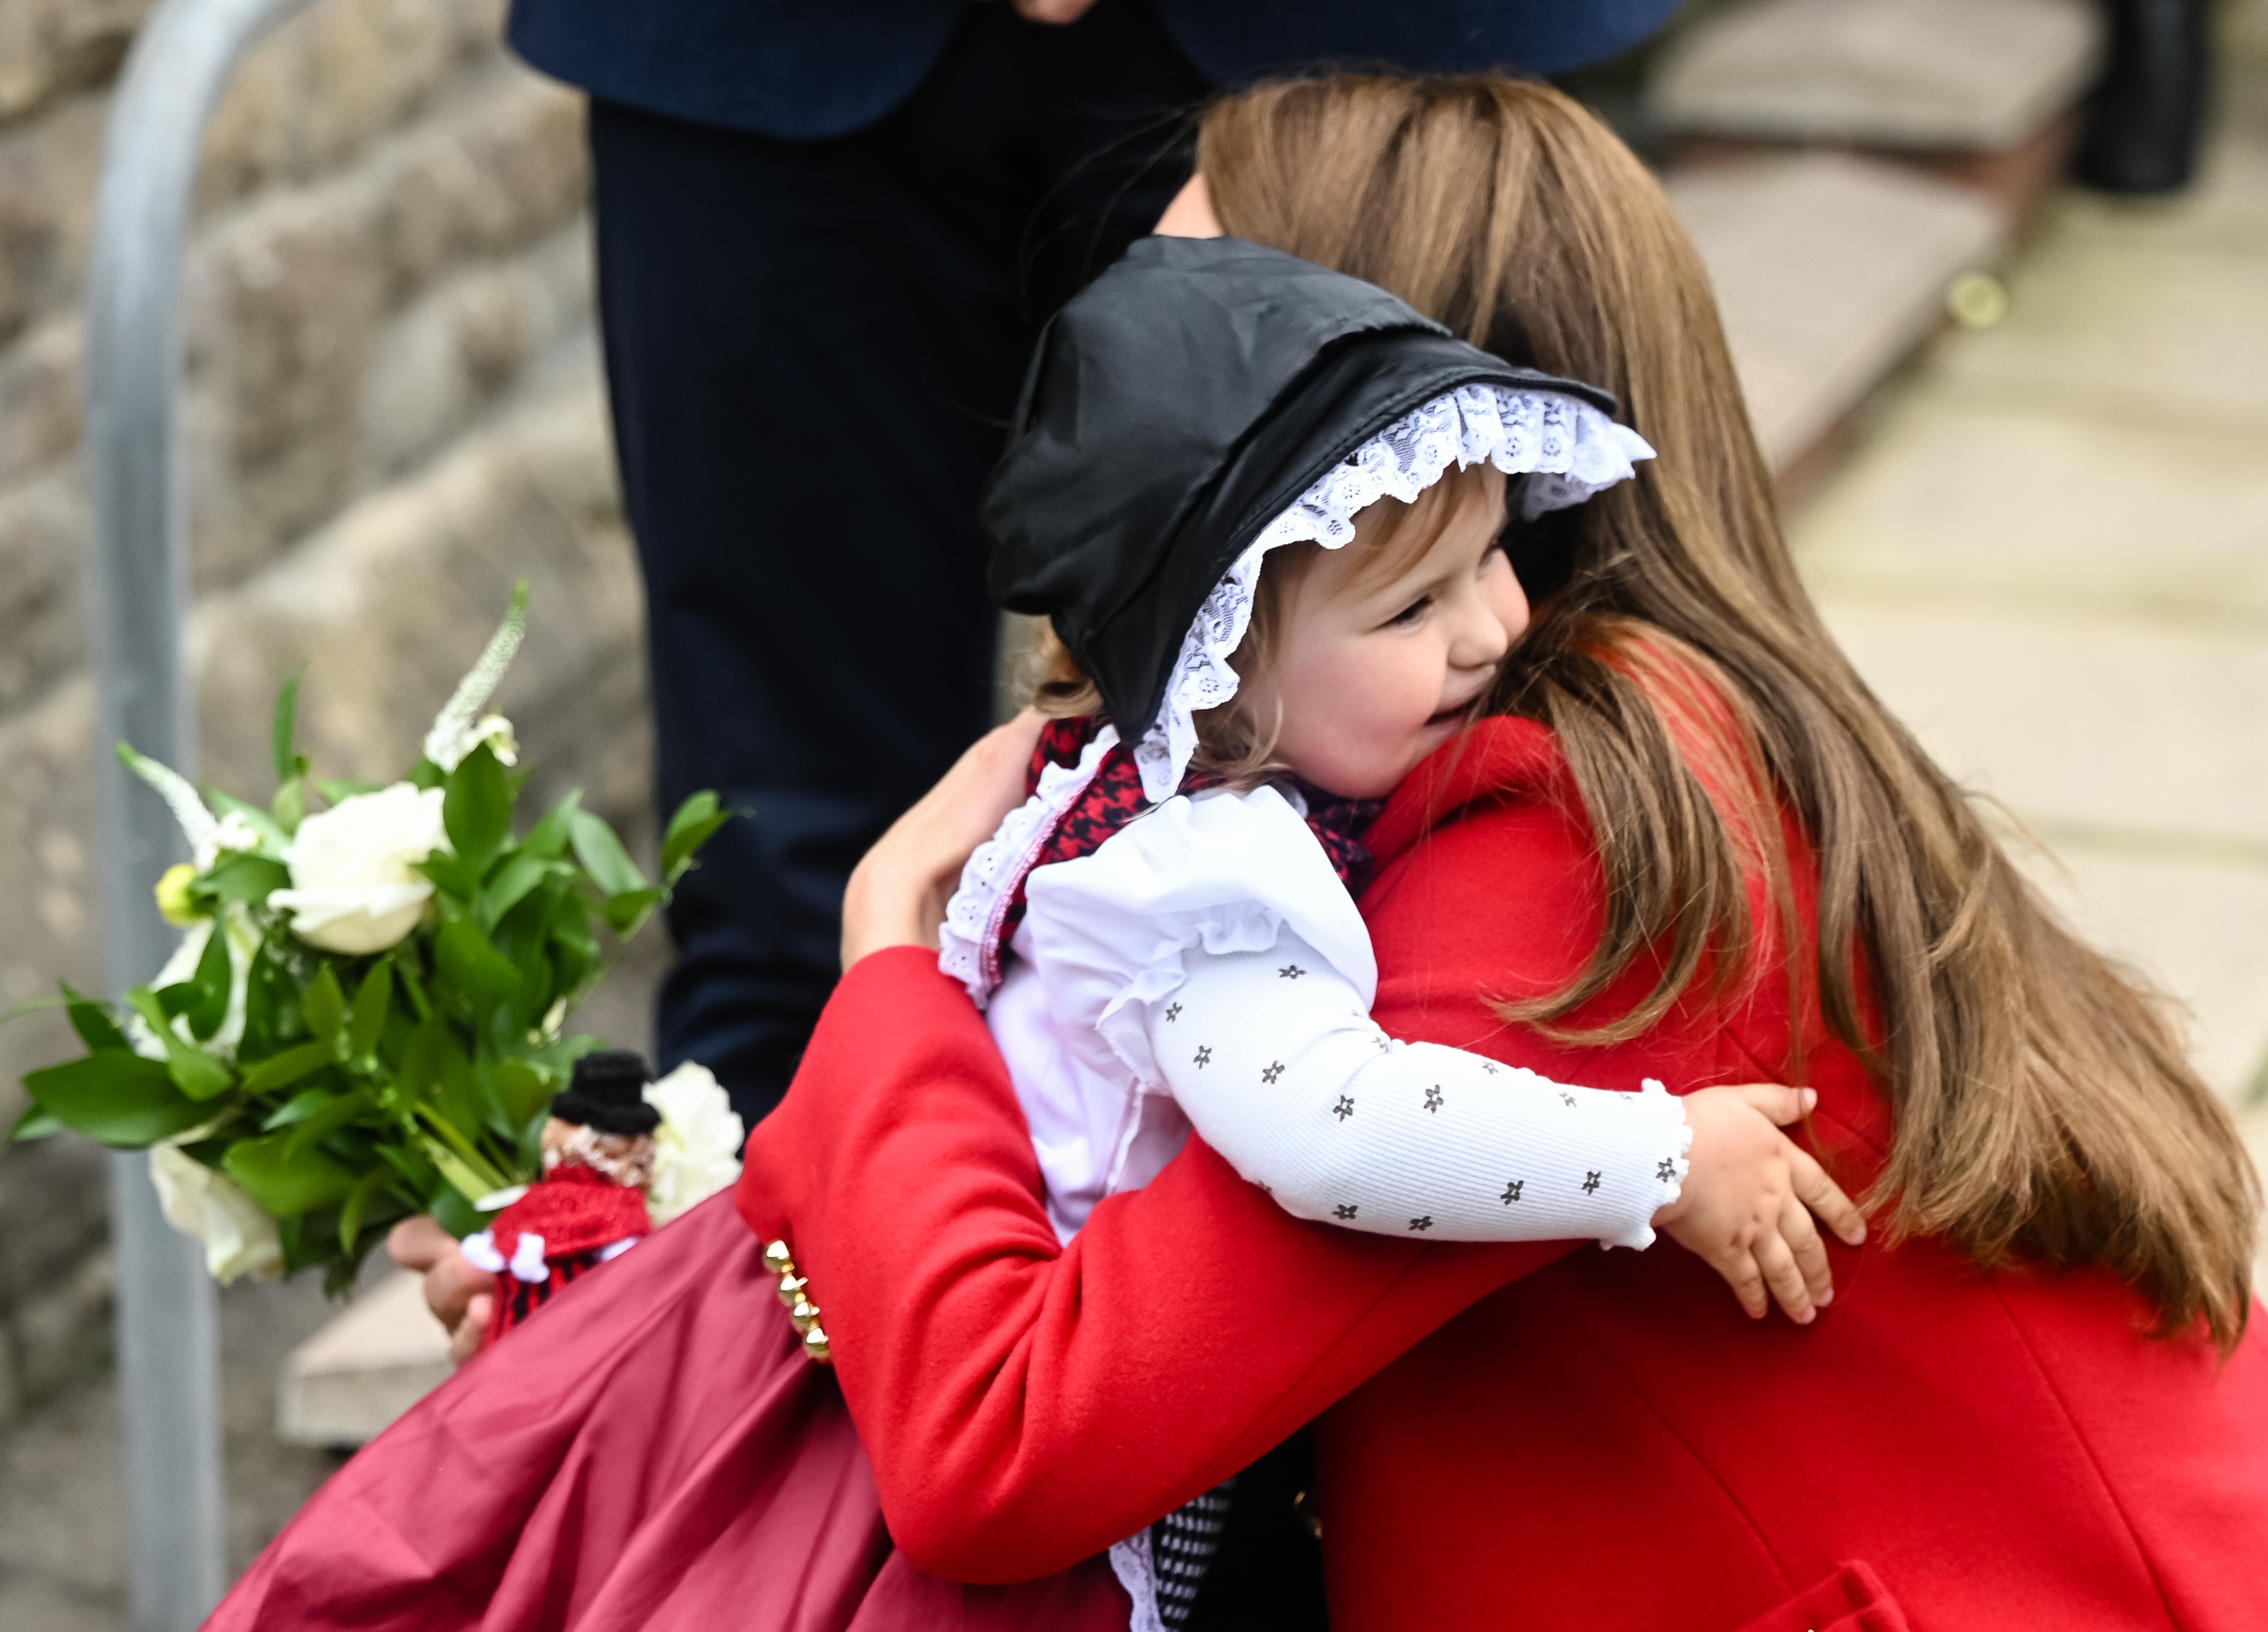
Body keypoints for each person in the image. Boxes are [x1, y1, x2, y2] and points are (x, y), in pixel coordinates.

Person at [733, 75, 2268, 1630]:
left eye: (1185, 304)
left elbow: (996, 1447)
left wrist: (889, 961)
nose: (1118, 340)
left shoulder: (1557, 859)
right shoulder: (1611, 732)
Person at [497, 0, 1676, 1123]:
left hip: (1342, 42)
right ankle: (789, 1241)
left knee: (1478, 776)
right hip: (759, 59)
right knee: (775, 863)